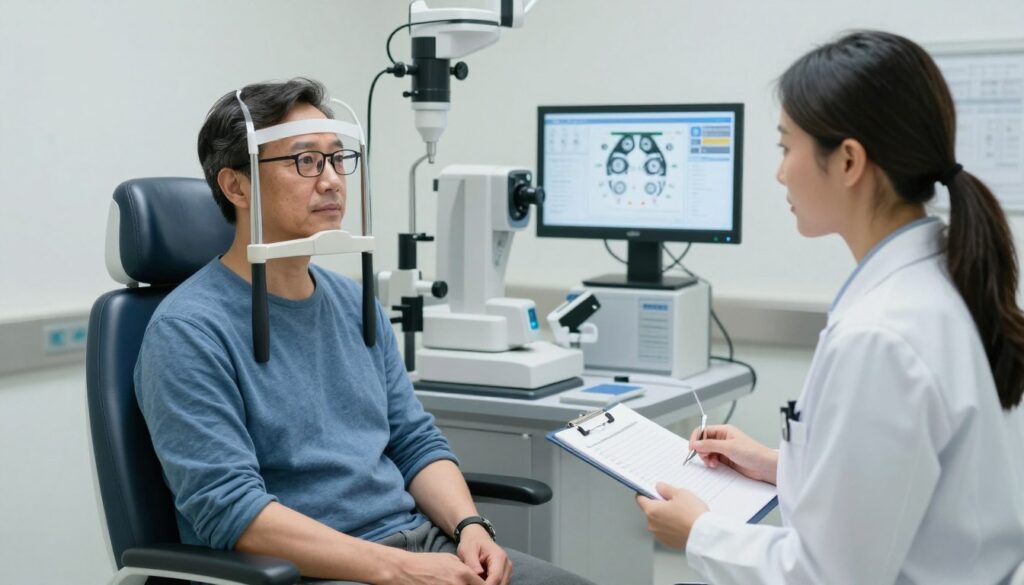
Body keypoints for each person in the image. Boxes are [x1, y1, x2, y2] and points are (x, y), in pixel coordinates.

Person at [134, 77, 592, 585]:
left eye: (338, 158)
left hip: (420, 547)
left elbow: (414, 441)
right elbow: (232, 510)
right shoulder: (188, 331)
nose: (332, 180)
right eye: (305, 160)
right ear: (235, 186)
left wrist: (470, 527)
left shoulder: (354, 302)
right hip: (310, 570)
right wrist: (402, 570)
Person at [636, 31, 1024, 584]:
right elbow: (908, 483)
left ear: (847, 161)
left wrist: (698, 532)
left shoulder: (882, 335)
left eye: (785, 148)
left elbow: (830, 576)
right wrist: (781, 466)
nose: (780, 172)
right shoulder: (941, 283)